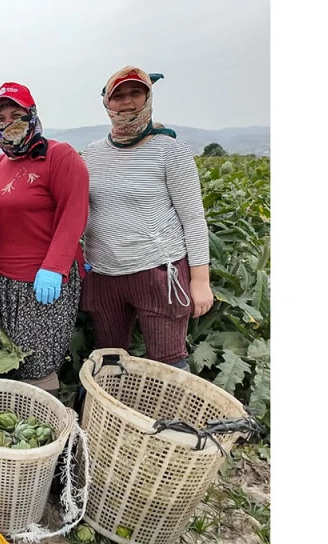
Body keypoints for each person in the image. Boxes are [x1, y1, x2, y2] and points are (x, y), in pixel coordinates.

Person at [79, 66, 212, 370]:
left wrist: (200, 281)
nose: (126, 101)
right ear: (106, 102)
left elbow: (193, 219)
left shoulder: (170, 151)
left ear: (148, 98)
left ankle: (172, 405)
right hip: (104, 275)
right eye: (118, 96)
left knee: (168, 364)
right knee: (109, 361)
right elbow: (82, 212)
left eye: (135, 93)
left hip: (158, 273)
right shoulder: (91, 154)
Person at [0, 82, 89, 397]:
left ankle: (45, 423)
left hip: (41, 282)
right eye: (0, 118)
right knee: (7, 361)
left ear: (32, 114)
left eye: (17, 115)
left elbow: (74, 213)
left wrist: (55, 267)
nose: (9, 124)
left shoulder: (59, 156)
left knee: (37, 365)